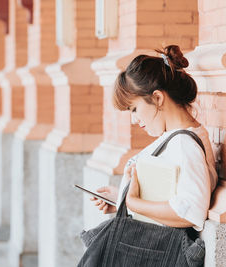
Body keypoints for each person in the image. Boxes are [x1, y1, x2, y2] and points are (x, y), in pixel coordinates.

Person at [90, 45, 218, 232]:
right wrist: (122, 199)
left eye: (134, 109)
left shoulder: (183, 143)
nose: (134, 120)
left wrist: (132, 203)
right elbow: (171, 195)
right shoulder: (179, 137)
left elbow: (190, 211)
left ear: (157, 98)